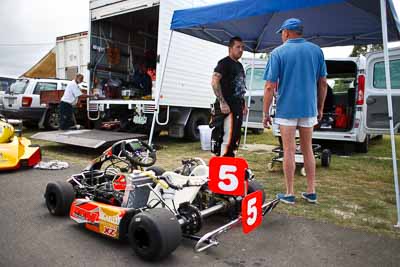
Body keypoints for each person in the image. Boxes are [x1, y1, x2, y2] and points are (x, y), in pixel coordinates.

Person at [263, 18, 328, 204]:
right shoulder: (316, 51)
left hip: (286, 110)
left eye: (282, 33)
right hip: (308, 108)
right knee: (308, 149)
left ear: (287, 32)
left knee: (289, 150)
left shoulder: (278, 53)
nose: (282, 36)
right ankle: (311, 191)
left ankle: (290, 193)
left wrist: (266, 113)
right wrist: (320, 107)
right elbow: (323, 83)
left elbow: (269, 87)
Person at [211, 36, 248, 157]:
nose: (241, 50)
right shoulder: (224, 63)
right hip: (227, 107)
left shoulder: (240, 66)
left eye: (242, 47)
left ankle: (230, 162)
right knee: (227, 137)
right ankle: (223, 163)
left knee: (234, 137)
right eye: (238, 47)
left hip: (238, 106)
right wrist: (222, 102)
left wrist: (244, 104)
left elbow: (240, 87)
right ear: (230, 48)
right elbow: (214, 81)